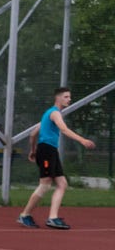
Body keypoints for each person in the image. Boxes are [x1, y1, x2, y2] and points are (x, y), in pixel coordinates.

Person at [19, 86, 96, 229]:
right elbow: (64, 129)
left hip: (49, 151)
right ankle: (24, 215)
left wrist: (33, 150)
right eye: (66, 97)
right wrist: (82, 140)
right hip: (47, 150)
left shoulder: (48, 114)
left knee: (62, 184)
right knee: (45, 185)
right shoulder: (55, 113)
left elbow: (33, 134)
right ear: (58, 98)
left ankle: (52, 218)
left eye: (69, 97)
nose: (69, 99)